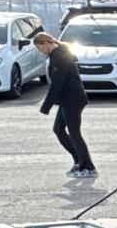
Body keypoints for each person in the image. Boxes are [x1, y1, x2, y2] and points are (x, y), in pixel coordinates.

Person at [33, 32, 97, 178]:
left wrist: (46, 106)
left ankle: (88, 167)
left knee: (74, 134)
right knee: (58, 129)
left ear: (46, 43)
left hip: (73, 100)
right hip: (66, 100)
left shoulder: (59, 56)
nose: (40, 51)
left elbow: (57, 83)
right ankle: (78, 161)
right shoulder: (57, 54)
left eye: (39, 48)